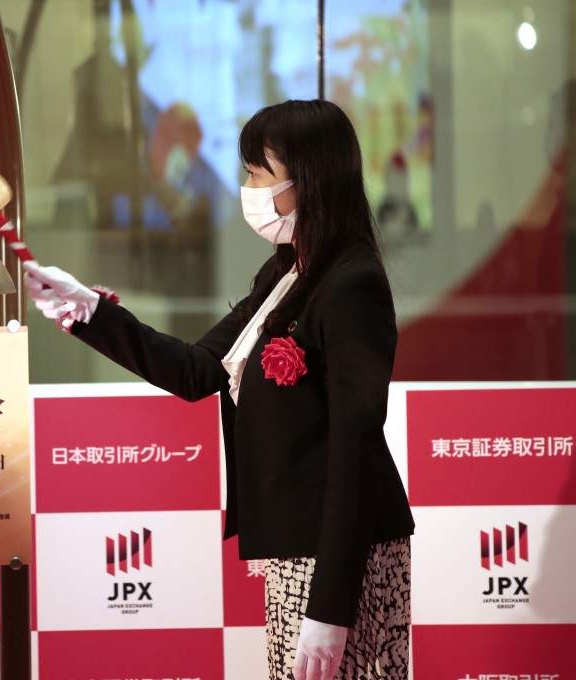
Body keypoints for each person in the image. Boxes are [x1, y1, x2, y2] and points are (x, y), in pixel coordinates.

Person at [23, 99, 415, 680]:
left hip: (343, 557)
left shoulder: (351, 283)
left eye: (260, 173)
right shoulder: (284, 272)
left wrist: (331, 608)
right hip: (295, 549)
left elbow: (354, 451)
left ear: (308, 182)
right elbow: (195, 370)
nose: (248, 187)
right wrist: (86, 310)